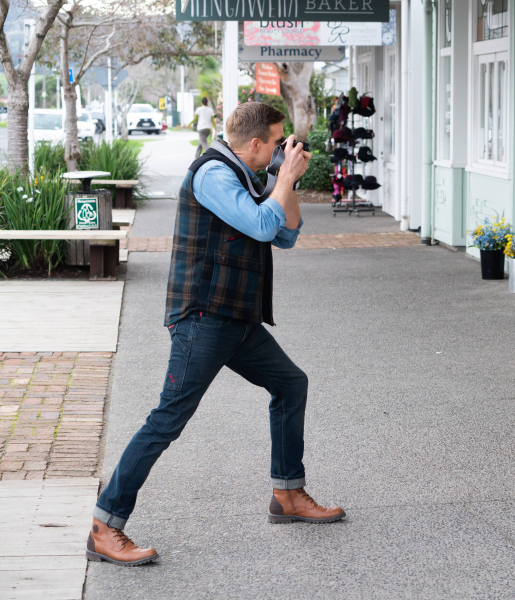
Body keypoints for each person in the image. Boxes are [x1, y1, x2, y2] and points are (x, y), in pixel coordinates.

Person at [87, 102, 346, 567]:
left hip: (237, 319)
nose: (281, 150)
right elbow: (263, 225)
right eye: (277, 143)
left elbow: (286, 234)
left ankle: (288, 494)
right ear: (256, 143)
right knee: (167, 419)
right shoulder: (213, 175)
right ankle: (104, 526)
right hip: (203, 319)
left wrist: (287, 180)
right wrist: (284, 177)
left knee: (291, 384)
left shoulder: (249, 175)